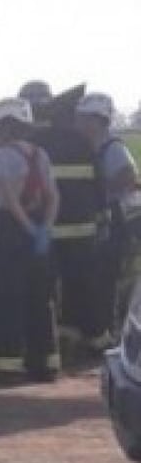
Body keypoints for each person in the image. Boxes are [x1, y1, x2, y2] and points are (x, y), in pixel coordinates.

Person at [19, 81, 109, 354]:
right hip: (83, 229)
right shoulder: (81, 142)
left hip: (46, 229)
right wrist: (101, 215)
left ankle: (51, 342)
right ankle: (94, 339)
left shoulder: (34, 144)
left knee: (43, 286)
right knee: (83, 283)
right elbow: (99, 183)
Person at [0, 97, 61, 383]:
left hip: (11, 231)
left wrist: (26, 227)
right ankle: (44, 364)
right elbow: (53, 195)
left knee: (6, 295)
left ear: (5, 127)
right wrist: (44, 229)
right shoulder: (41, 154)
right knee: (40, 297)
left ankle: (4, 366)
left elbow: (7, 197)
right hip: (40, 229)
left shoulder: (2, 155)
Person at [75, 92, 139, 335]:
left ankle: (107, 332)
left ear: (99, 120)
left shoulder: (111, 148)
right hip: (104, 221)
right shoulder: (92, 147)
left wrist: (100, 190)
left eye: (85, 119)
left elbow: (129, 177)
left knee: (106, 279)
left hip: (116, 222)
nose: (80, 124)